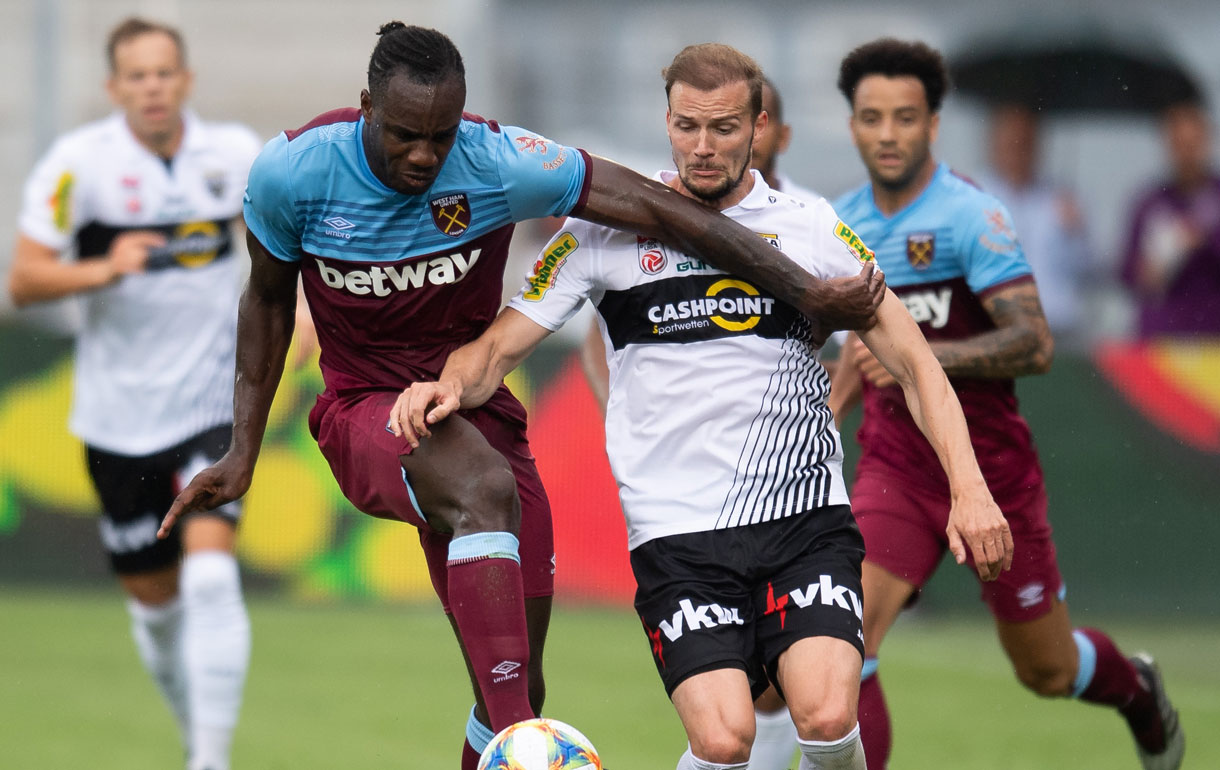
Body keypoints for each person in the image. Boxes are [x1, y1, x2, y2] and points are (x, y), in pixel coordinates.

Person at [157, 23, 884, 769]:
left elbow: (665, 209)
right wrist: (243, 449)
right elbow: (269, 301)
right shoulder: (292, 173)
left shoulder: (501, 160)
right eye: (406, 134)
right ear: (367, 105)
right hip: (367, 410)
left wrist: (805, 292)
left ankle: (512, 735)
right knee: (482, 492)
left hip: (480, 412)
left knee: (514, 682)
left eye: (441, 136)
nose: (424, 155)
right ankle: (528, 752)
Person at [389, 42, 1012, 770]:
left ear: (760, 126)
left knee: (828, 716)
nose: (704, 147)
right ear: (668, 122)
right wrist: (447, 384)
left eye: (723, 128)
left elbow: (916, 365)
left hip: (801, 523)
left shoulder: (810, 229)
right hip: (678, 539)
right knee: (723, 741)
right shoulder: (603, 233)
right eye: (688, 127)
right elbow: (498, 349)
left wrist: (970, 490)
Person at [828, 38, 1185, 770]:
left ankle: (1136, 689)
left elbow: (1035, 342)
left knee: (1047, 670)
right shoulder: (839, 225)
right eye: (871, 117)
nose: (888, 133)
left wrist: (918, 358)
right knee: (846, 635)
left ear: (932, 124)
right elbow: (843, 348)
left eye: (904, 117)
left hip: (992, 475)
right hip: (897, 468)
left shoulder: (970, 217)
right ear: (854, 126)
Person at [7, 18, 261, 770]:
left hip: (214, 408)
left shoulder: (236, 156)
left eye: (164, 73)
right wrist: (103, 267)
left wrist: (307, 312)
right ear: (114, 88)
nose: (152, 87)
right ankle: (197, 737)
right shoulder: (75, 167)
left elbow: (286, 251)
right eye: (137, 76)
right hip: (119, 423)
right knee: (158, 617)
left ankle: (209, 762)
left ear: (185, 80)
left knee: (212, 579)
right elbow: (24, 279)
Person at [977, 103, 1093, 347]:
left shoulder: (1060, 197)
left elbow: (1090, 269)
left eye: (1025, 142)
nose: (1018, 150)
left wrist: (1076, 232)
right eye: (1012, 141)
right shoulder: (974, 196)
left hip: (1056, 327)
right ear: (995, 142)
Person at [1120, 95, 1220, 339]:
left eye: (1191, 144)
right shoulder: (1149, 201)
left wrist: (1204, 241)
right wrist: (1145, 271)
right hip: (1160, 338)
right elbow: (1125, 269)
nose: (1186, 154)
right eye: (1179, 144)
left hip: (1211, 339)